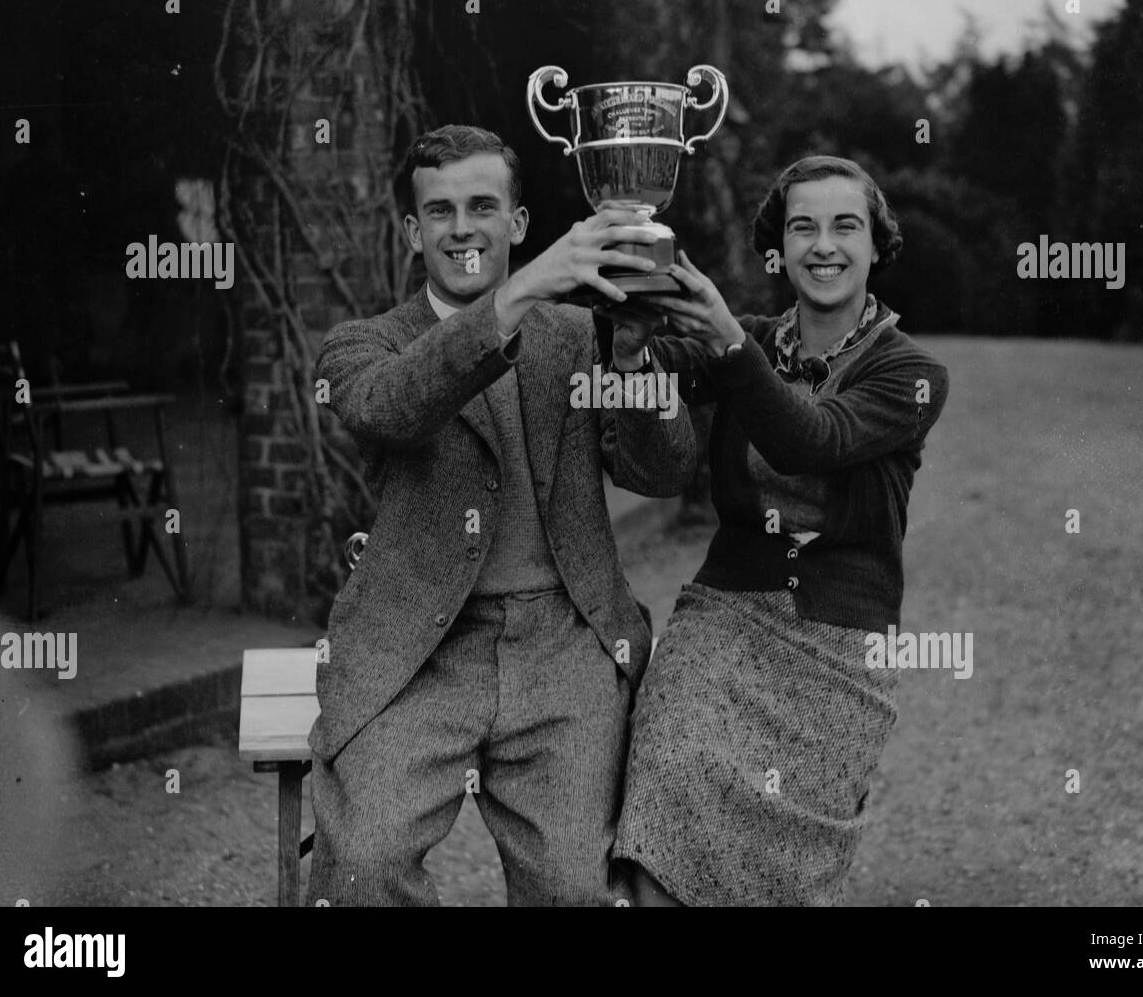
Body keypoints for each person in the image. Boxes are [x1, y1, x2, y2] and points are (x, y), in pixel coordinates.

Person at [306, 124, 696, 907]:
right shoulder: (363, 346)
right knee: (363, 868)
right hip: (420, 650)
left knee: (575, 889)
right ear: (413, 233)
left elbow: (664, 470)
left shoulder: (582, 337)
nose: (463, 229)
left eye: (483, 206)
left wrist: (630, 364)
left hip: (564, 643)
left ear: (517, 224)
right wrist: (516, 295)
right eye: (440, 211)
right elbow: (394, 409)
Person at [605, 156, 950, 906]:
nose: (823, 245)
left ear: (875, 244)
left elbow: (812, 439)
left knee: (780, 876)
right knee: (666, 788)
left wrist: (731, 343)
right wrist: (632, 344)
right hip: (724, 618)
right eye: (803, 228)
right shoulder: (751, 336)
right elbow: (664, 371)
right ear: (780, 246)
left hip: (839, 644)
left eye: (844, 226)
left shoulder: (912, 372)